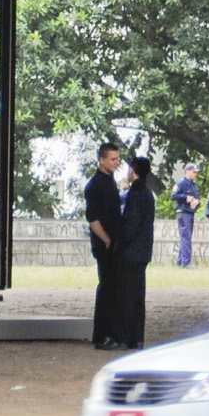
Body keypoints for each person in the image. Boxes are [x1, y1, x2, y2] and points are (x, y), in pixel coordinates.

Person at [114, 155, 157, 348]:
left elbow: (131, 223)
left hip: (131, 251)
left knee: (127, 296)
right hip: (143, 250)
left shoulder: (134, 193)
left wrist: (120, 243)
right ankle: (137, 337)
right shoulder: (148, 194)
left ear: (133, 170)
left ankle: (125, 337)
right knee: (138, 295)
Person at [84, 143, 124, 349]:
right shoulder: (95, 185)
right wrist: (107, 240)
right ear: (102, 159)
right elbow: (93, 219)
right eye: (112, 159)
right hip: (105, 245)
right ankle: (103, 334)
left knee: (112, 288)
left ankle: (108, 332)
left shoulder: (110, 181)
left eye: (117, 159)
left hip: (113, 243)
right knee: (107, 288)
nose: (116, 163)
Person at [172, 163, 200, 268]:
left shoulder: (193, 185)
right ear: (187, 171)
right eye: (194, 172)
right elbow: (174, 195)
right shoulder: (181, 183)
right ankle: (186, 261)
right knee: (186, 237)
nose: (195, 174)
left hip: (190, 212)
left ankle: (181, 261)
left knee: (186, 237)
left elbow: (197, 198)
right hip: (183, 212)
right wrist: (185, 197)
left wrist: (196, 202)